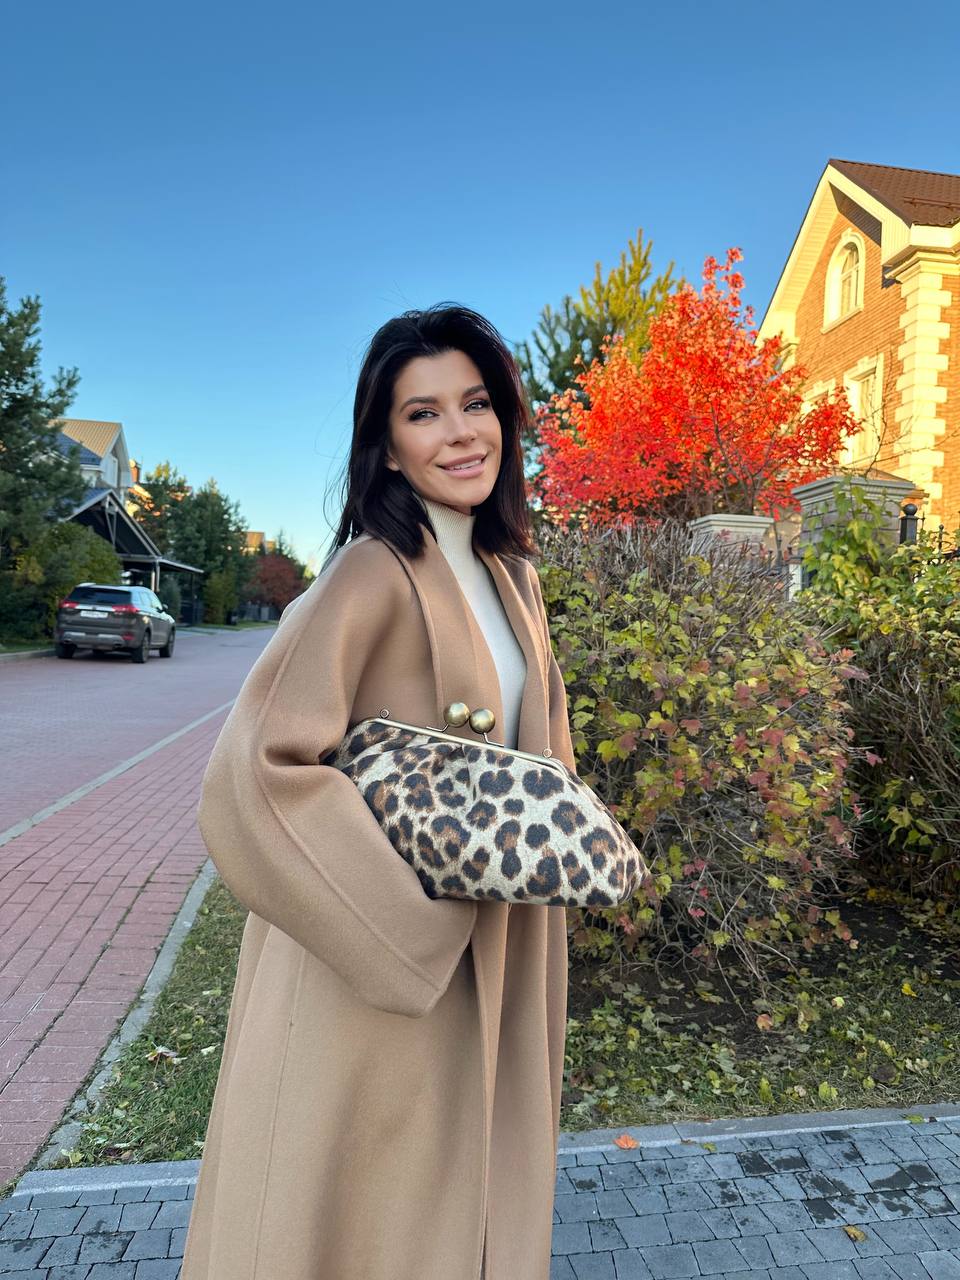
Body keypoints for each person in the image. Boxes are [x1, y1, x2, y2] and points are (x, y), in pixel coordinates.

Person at [178, 304, 576, 1280]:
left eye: (476, 404)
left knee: (466, 1208)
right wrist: (410, 930)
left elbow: (541, 753)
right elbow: (255, 773)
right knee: (365, 1221)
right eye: (423, 413)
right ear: (388, 448)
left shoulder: (513, 577)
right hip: (371, 980)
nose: (460, 433)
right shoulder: (368, 573)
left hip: (499, 960)